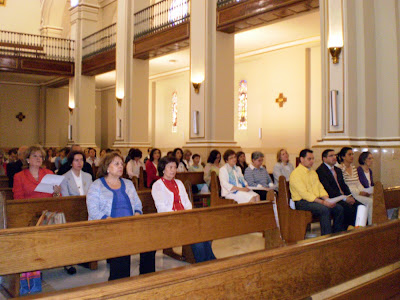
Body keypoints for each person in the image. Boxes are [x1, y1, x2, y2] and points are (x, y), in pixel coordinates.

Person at [86, 152, 143, 280]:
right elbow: (93, 210)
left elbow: (138, 204)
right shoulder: (97, 185)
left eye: (121, 164)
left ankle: (146, 281)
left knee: (150, 245)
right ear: (107, 167)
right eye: (116, 164)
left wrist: (137, 214)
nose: (120, 166)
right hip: (107, 227)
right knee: (120, 244)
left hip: (130, 225)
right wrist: (109, 220)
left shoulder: (128, 184)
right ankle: (118, 283)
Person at [152, 156, 216, 263]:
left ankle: (209, 260)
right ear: (163, 169)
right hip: (170, 220)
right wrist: (179, 215)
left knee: (205, 230)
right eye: (170, 167)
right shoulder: (158, 185)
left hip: (185, 217)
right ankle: (203, 262)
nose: (173, 170)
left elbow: (187, 202)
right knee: (196, 235)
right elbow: (162, 208)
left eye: (175, 167)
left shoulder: (179, 183)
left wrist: (187, 214)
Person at [290, 149, 344, 236]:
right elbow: (305, 194)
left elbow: (319, 188)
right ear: (302, 159)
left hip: (314, 201)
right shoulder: (296, 174)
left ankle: (336, 235)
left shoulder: (313, 172)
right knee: (324, 209)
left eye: (313, 159)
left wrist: (327, 199)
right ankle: (326, 237)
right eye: (309, 159)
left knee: (339, 208)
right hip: (302, 202)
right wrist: (323, 202)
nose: (312, 161)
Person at [316, 149, 364, 228]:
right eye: (331, 156)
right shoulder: (321, 171)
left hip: (343, 197)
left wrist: (349, 196)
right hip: (333, 198)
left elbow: (344, 185)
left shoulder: (337, 170)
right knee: (348, 208)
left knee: (360, 206)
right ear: (324, 159)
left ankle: (359, 230)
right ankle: (344, 232)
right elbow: (328, 189)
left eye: (335, 155)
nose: (334, 157)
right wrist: (344, 199)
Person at [337, 147, 373, 225]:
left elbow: (357, 182)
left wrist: (363, 191)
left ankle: (367, 223)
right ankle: (369, 225)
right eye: (349, 154)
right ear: (343, 157)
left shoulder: (353, 168)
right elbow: (344, 185)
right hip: (350, 194)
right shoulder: (340, 168)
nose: (352, 156)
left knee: (372, 198)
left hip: (357, 192)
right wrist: (358, 192)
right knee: (370, 201)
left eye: (352, 154)